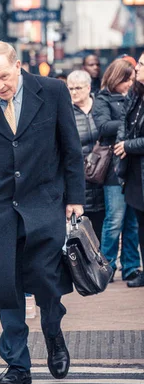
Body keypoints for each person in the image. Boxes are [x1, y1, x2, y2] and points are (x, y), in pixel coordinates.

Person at [0, 41, 85, 384]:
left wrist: (75, 198)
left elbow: (71, 150)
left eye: (4, 77)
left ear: (19, 66)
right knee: (4, 286)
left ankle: (54, 335)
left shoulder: (53, 91)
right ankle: (17, 363)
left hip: (44, 203)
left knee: (47, 280)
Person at [92, 58, 140, 282]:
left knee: (131, 220)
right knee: (114, 219)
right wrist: (126, 123)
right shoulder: (103, 98)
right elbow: (102, 126)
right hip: (112, 167)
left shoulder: (135, 97)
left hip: (130, 165)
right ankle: (107, 265)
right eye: (126, 80)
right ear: (116, 78)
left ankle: (131, 265)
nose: (130, 84)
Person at [114, 53, 144, 288]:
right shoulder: (135, 94)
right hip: (134, 172)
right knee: (139, 225)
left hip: (137, 163)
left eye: (142, 65)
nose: (137, 68)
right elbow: (124, 122)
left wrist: (128, 146)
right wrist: (123, 142)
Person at [67, 70, 105, 242]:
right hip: (80, 176)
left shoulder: (100, 107)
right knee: (84, 231)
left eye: (78, 88)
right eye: (70, 88)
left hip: (103, 174)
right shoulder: (67, 111)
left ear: (88, 87)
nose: (74, 92)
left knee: (106, 225)